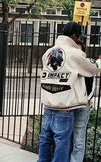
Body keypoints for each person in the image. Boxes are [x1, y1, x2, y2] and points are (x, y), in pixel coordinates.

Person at [38, 22, 101, 162]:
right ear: (74, 36)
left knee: (45, 141)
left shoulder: (48, 52)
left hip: (48, 106)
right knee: (62, 144)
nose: (78, 41)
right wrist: (99, 62)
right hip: (64, 108)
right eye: (78, 38)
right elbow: (93, 70)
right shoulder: (75, 53)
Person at [70, 40, 95, 162]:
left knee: (78, 140)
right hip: (67, 106)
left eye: (79, 50)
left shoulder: (88, 66)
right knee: (65, 138)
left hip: (82, 107)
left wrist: (84, 101)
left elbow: (91, 88)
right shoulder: (68, 65)